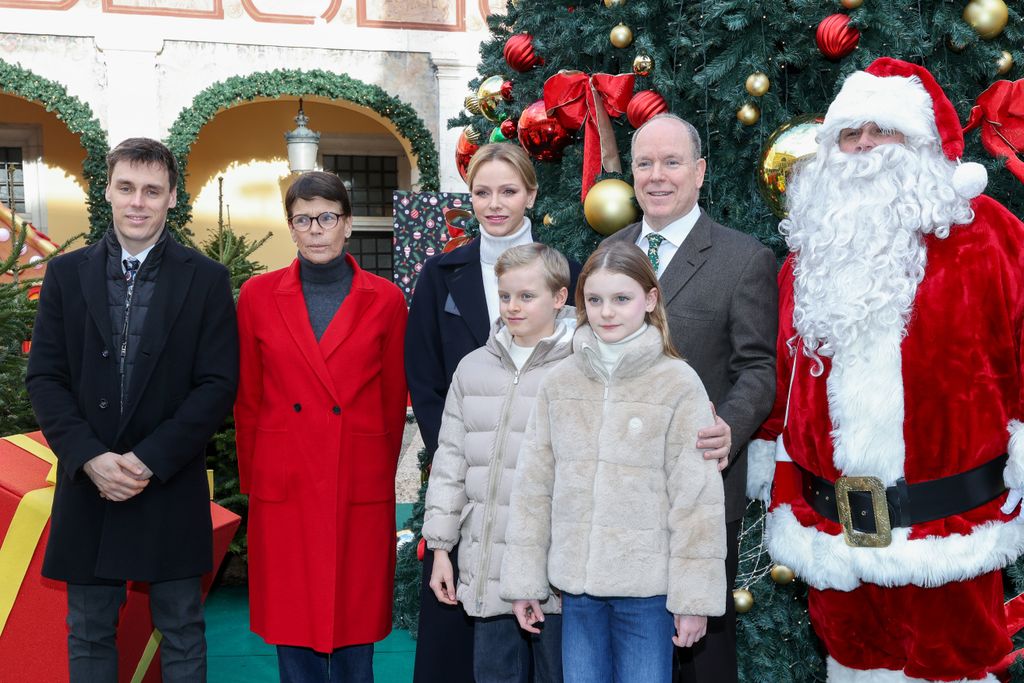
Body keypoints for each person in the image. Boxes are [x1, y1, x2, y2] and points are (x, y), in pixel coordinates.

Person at [748, 57, 1024, 681]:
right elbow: (785, 377)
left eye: (883, 130)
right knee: (854, 666)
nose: (865, 145)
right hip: (832, 533)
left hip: (950, 533)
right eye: (851, 133)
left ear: (921, 144)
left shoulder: (990, 235)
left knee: (953, 667)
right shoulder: (812, 250)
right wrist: (772, 459)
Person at [25, 137, 239, 682]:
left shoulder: (206, 279)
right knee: (88, 630)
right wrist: (89, 456)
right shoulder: (65, 275)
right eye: (126, 188)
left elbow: (216, 384)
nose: (137, 202)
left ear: (172, 197)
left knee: (182, 629)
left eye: (151, 190)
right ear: (108, 191)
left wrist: (148, 460)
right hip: (89, 483)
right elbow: (45, 378)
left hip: (166, 481)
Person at [500, 241, 727, 683]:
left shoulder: (678, 383)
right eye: (595, 300)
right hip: (578, 592)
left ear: (650, 299)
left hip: (648, 594)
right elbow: (533, 488)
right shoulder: (560, 382)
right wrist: (524, 581)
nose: (607, 312)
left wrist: (693, 600)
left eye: (622, 298)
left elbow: (696, 501)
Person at [603, 113, 778, 683]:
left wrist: (731, 427)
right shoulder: (609, 252)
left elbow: (758, 367)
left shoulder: (742, 258)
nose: (657, 176)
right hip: (614, 492)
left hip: (699, 486)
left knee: (700, 655)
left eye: (672, 162)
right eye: (645, 163)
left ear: (699, 172)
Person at [406, 143, 579, 683]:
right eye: (482, 192)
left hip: (548, 497)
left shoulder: (567, 270)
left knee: (553, 653)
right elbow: (425, 376)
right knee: (478, 643)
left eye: (508, 191)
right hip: (474, 478)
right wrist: (459, 455)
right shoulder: (441, 273)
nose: (495, 204)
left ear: (531, 194)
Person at [234, 171, 407, 682]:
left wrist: (376, 472)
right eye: (303, 219)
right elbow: (248, 398)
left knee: (354, 619)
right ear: (290, 226)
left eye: (327, 217)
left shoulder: (386, 299)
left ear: (347, 224)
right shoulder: (257, 296)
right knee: (293, 621)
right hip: (284, 481)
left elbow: (393, 397)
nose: (315, 230)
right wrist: (256, 483)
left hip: (356, 475)